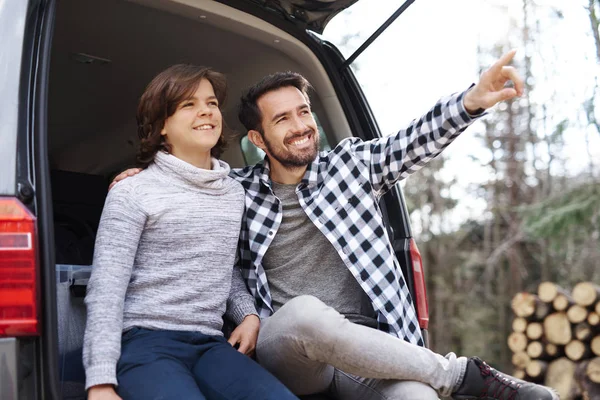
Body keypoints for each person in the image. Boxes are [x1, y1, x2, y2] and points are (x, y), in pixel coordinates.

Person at [112, 51, 558, 400]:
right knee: (306, 312)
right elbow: (192, 182)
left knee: (418, 395)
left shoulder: (353, 165)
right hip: (291, 353)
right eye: (282, 119)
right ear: (257, 139)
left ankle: (445, 376)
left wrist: (471, 101)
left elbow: (415, 140)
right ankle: (464, 374)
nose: (301, 126)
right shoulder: (236, 191)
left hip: (367, 349)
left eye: (303, 112)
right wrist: (150, 172)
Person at [83, 64, 298, 400]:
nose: (206, 111)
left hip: (211, 344)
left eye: (211, 103)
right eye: (188, 104)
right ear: (162, 125)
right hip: (146, 342)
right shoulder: (132, 191)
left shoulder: (233, 193)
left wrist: (248, 315)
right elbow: (106, 290)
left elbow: (224, 270)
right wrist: (99, 381)